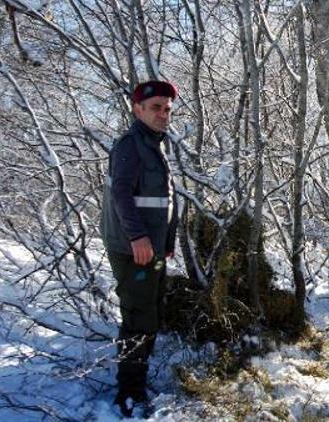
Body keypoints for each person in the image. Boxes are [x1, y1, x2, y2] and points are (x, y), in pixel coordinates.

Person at [100, 80, 178, 417]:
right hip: (134, 248)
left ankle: (138, 379)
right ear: (138, 110)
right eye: (155, 108)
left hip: (152, 246)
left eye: (167, 108)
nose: (163, 113)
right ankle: (128, 393)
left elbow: (164, 200)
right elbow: (121, 195)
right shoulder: (131, 145)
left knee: (150, 312)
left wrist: (167, 242)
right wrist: (138, 238)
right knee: (138, 317)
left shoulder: (156, 144)